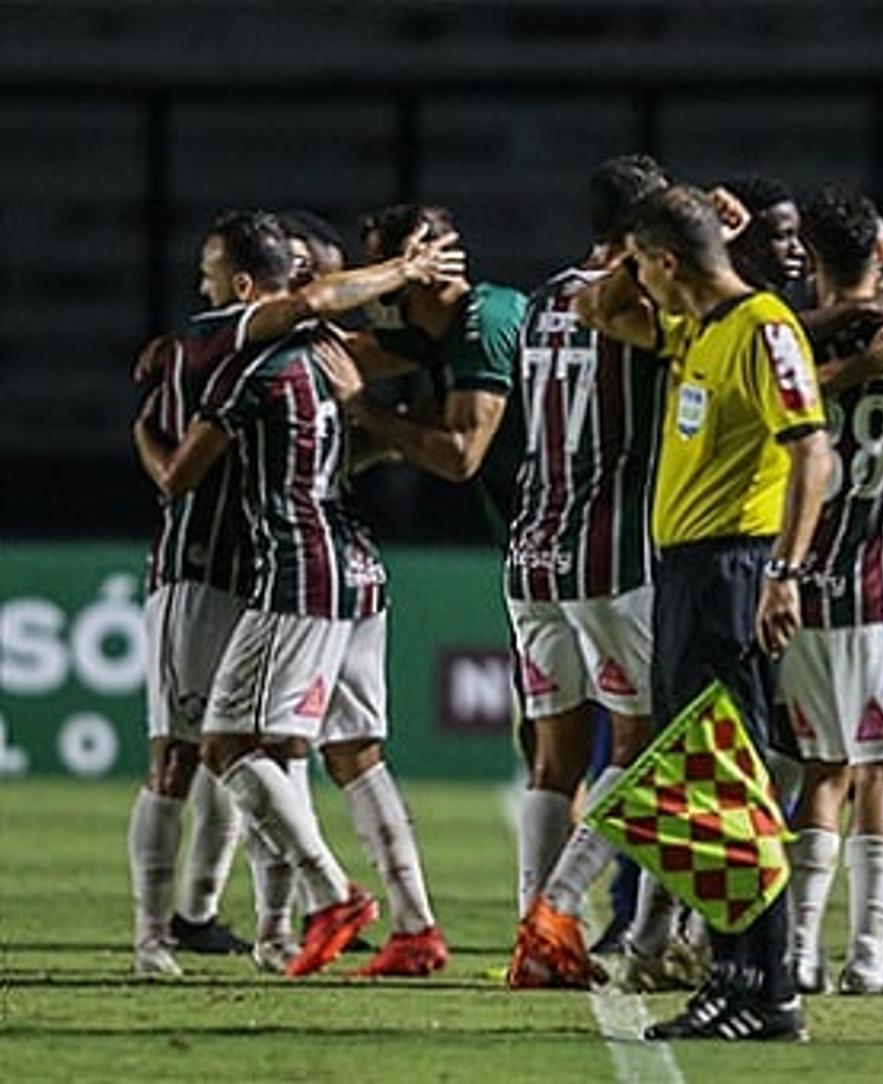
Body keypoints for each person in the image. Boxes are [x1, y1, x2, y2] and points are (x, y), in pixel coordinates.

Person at [133, 211, 459, 979]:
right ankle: (387, 925)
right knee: (312, 752)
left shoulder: (257, 363)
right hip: (341, 564)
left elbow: (180, 474)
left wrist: (144, 434)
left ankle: (315, 900)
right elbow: (387, 348)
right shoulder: (311, 357)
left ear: (248, 287)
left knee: (218, 749)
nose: (328, 291)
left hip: (282, 568)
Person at [579, 183, 833, 1041]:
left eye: (644, 263)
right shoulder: (698, 328)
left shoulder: (762, 327)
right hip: (690, 576)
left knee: (732, 788)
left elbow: (815, 456)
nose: (636, 280)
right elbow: (594, 304)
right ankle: (746, 980)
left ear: (668, 264)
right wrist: (683, 242)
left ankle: (763, 986)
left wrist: (785, 574)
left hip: (734, 570)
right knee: (707, 785)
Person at [503, 155, 681, 989]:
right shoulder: (633, 299)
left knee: (554, 757)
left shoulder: (542, 299)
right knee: (643, 744)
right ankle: (558, 909)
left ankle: (530, 938)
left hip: (532, 549)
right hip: (610, 552)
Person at [338, 204, 527, 546]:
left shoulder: (486, 324)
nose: (374, 286)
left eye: (383, 270)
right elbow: (338, 355)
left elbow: (459, 457)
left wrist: (364, 408)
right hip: (533, 536)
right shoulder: (438, 334)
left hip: (578, 533)